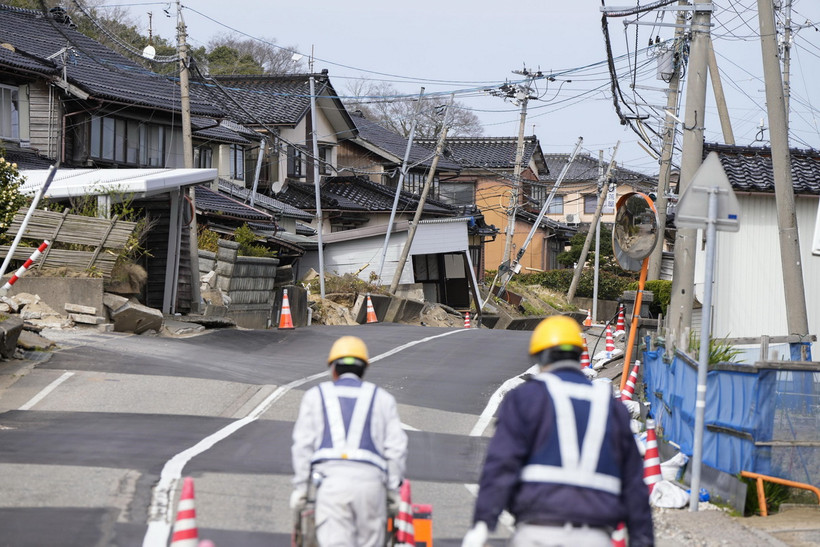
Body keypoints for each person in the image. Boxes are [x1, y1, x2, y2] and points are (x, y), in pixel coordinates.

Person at [462, 315, 654, 547]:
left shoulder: (525, 398)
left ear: (539, 357)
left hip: (537, 533)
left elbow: (501, 463)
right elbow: (634, 483)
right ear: (578, 355)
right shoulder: (612, 408)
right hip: (595, 537)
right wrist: (642, 539)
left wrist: (483, 523)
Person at [291, 335, 408, 546]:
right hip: (371, 485)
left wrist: (301, 488)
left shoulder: (315, 395)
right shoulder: (382, 398)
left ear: (333, 369)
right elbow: (396, 449)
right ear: (364, 369)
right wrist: (392, 489)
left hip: (331, 485)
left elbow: (303, 446)